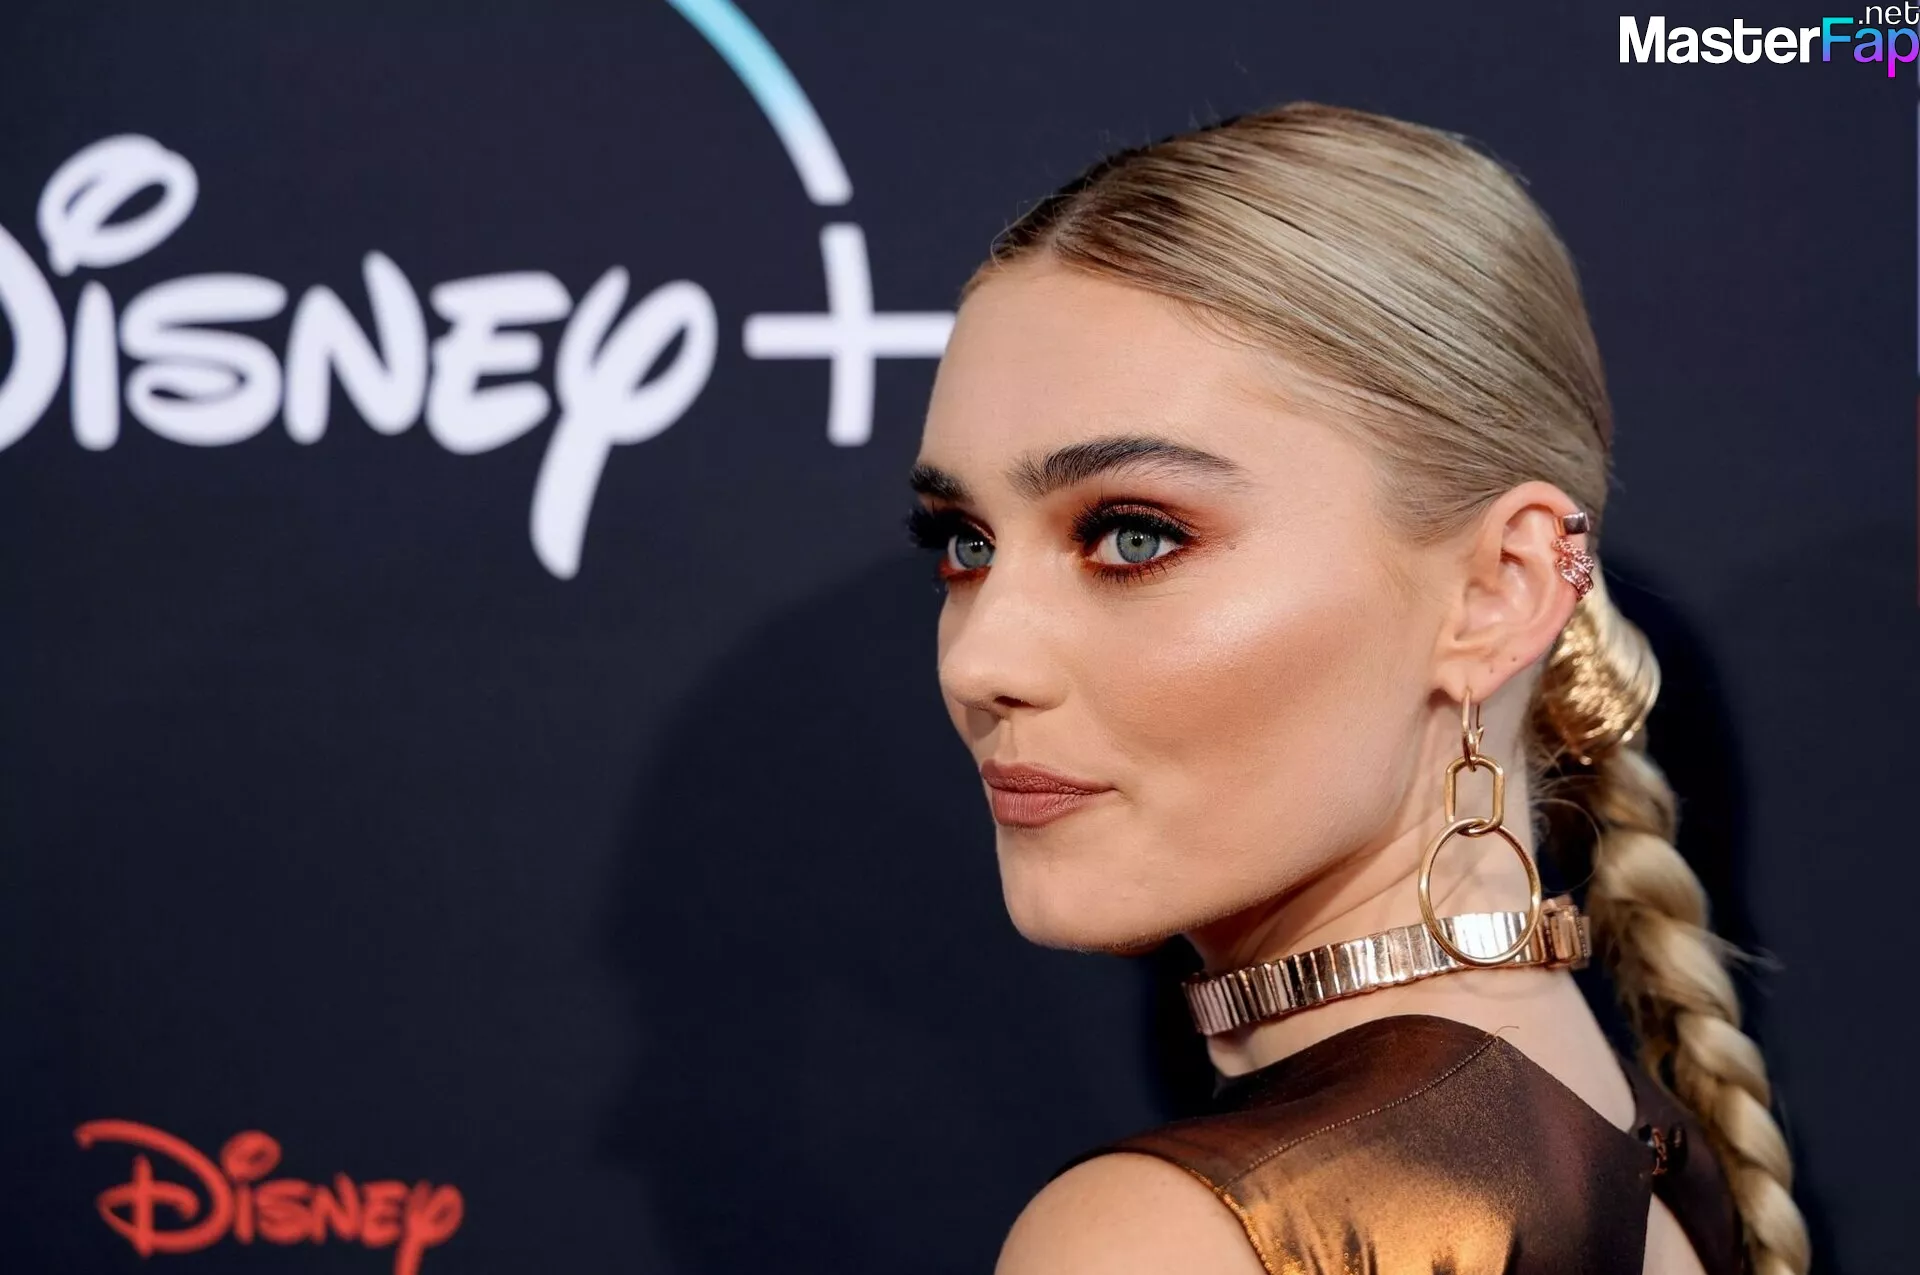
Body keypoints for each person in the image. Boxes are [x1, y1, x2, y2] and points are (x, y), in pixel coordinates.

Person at [903, 102, 1808, 1275]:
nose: (980, 662)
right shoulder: (1636, 1146)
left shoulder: (1171, 1238)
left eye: (1133, 536)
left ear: (1498, 591)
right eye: (965, 543)